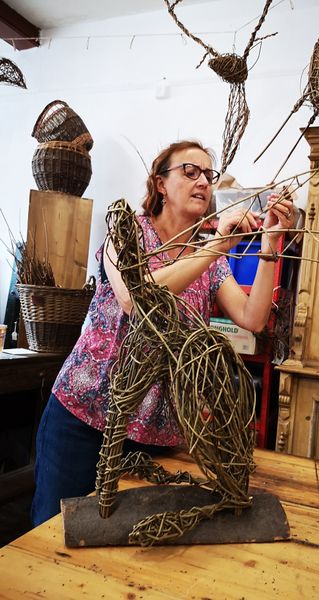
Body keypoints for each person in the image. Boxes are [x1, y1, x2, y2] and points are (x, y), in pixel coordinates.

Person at [31, 139, 294, 526]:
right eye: (190, 171)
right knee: (53, 528)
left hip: (153, 433)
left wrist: (270, 243)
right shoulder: (128, 234)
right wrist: (217, 246)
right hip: (85, 414)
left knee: (124, 543)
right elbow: (136, 299)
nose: (203, 181)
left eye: (209, 174)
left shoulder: (208, 255)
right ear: (159, 185)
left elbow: (252, 319)